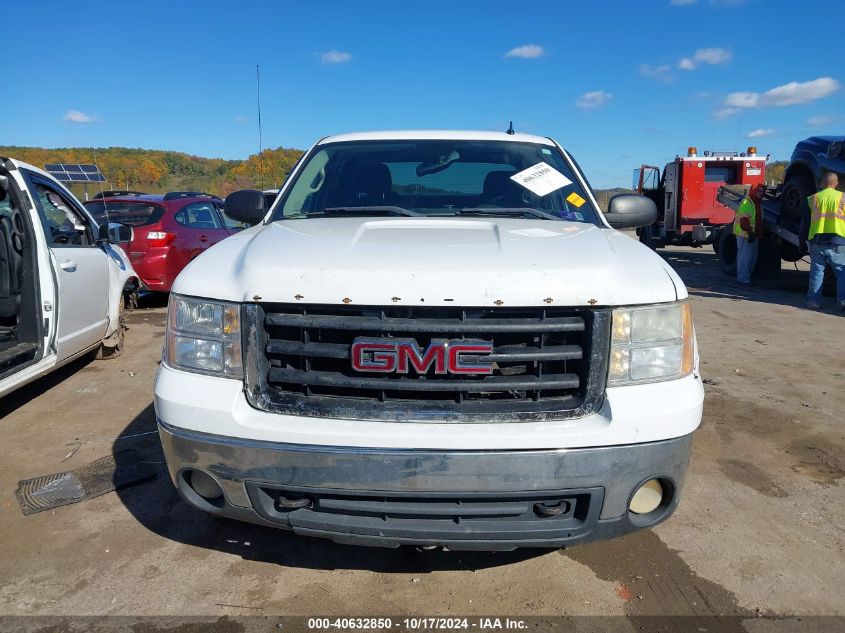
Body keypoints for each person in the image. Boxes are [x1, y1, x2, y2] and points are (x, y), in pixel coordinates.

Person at [805, 172, 845, 310]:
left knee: (817, 271)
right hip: (838, 239)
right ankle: (843, 300)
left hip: (817, 239)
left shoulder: (813, 198)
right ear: (837, 183)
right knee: (841, 272)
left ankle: (813, 301)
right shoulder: (843, 198)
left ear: (822, 183)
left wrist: (803, 239)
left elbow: (805, 221)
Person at [733, 184, 763, 285]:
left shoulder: (757, 203)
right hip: (745, 234)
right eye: (758, 191)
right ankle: (742, 279)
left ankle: (746, 277)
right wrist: (750, 232)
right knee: (745, 257)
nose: (761, 193)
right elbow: (744, 220)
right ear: (754, 191)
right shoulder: (747, 203)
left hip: (753, 234)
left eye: (762, 191)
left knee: (751, 258)